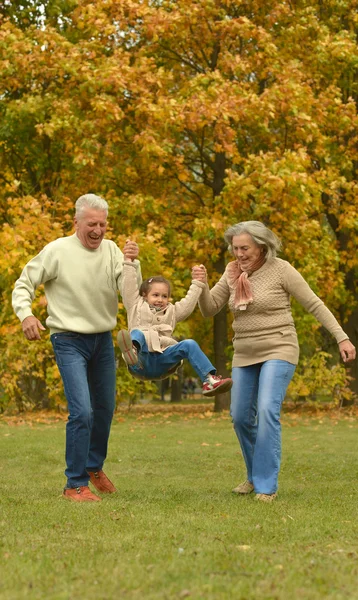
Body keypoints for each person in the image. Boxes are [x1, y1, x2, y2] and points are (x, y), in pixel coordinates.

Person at [192, 221, 356, 502]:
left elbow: (314, 303)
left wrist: (342, 337)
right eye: (235, 249)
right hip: (244, 351)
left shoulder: (281, 270)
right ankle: (254, 476)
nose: (239, 254)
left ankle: (266, 485)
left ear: (261, 246)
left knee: (267, 409)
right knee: (240, 416)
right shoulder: (232, 273)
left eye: (245, 248)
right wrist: (201, 285)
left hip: (280, 346)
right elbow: (209, 309)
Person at [12, 194, 141, 502]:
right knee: (81, 411)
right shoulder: (57, 250)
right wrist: (26, 314)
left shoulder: (111, 250)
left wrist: (131, 262)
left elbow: (130, 290)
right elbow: (23, 284)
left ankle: (94, 466)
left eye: (102, 224)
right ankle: (74, 484)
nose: (98, 230)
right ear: (76, 223)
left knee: (105, 408)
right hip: (68, 339)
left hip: (102, 339)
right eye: (91, 224)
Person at [116, 254, 233, 396]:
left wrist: (198, 283)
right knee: (137, 333)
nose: (160, 299)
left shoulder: (172, 311)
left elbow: (188, 304)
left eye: (164, 296)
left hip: (163, 361)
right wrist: (129, 261)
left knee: (189, 344)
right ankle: (132, 352)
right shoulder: (135, 305)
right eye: (156, 295)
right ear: (145, 295)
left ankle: (209, 380)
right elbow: (128, 285)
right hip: (141, 362)